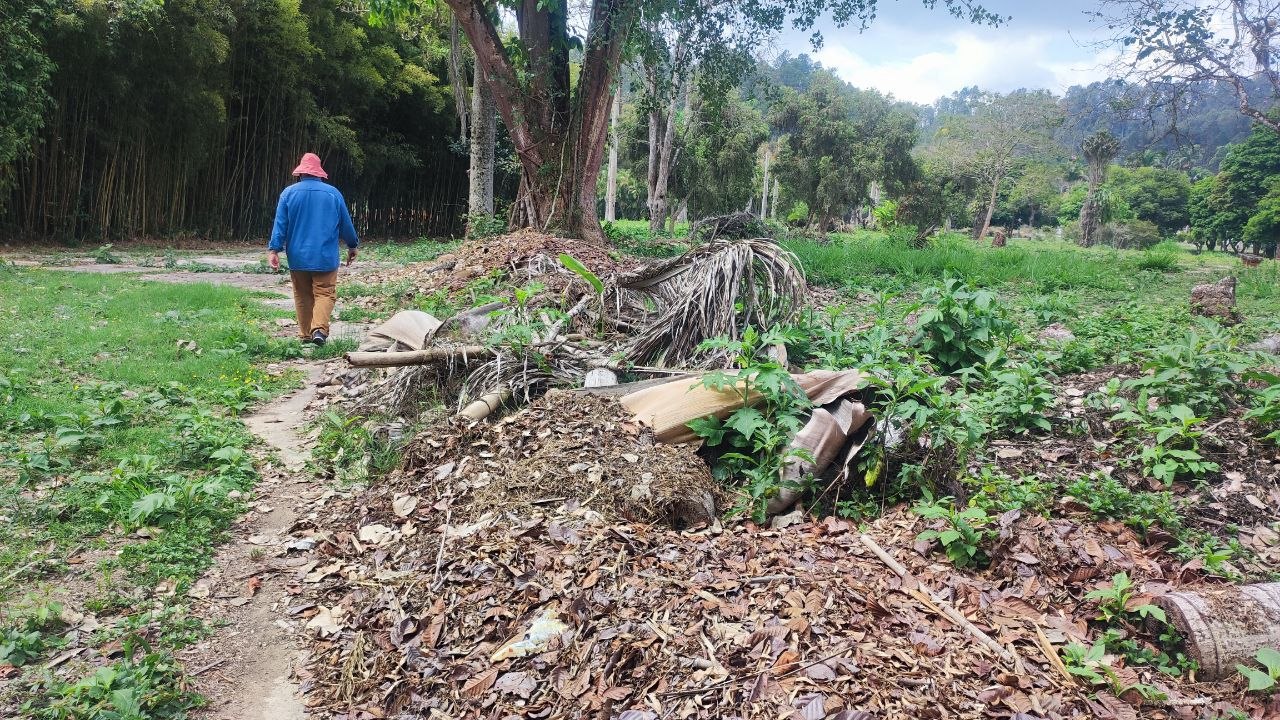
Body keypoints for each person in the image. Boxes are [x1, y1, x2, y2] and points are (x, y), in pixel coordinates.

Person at [267, 152, 359, 346]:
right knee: (325, 292)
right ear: (319, 173)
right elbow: (345, 224)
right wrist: (352, 245)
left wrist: (274, 250)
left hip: (298, 256)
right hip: (325, 256)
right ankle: (318, 329)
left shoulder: (288, 193)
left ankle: (306, 335)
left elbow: (280, 225)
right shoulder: (333, 193)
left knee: (302, 294)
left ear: (301, 173)